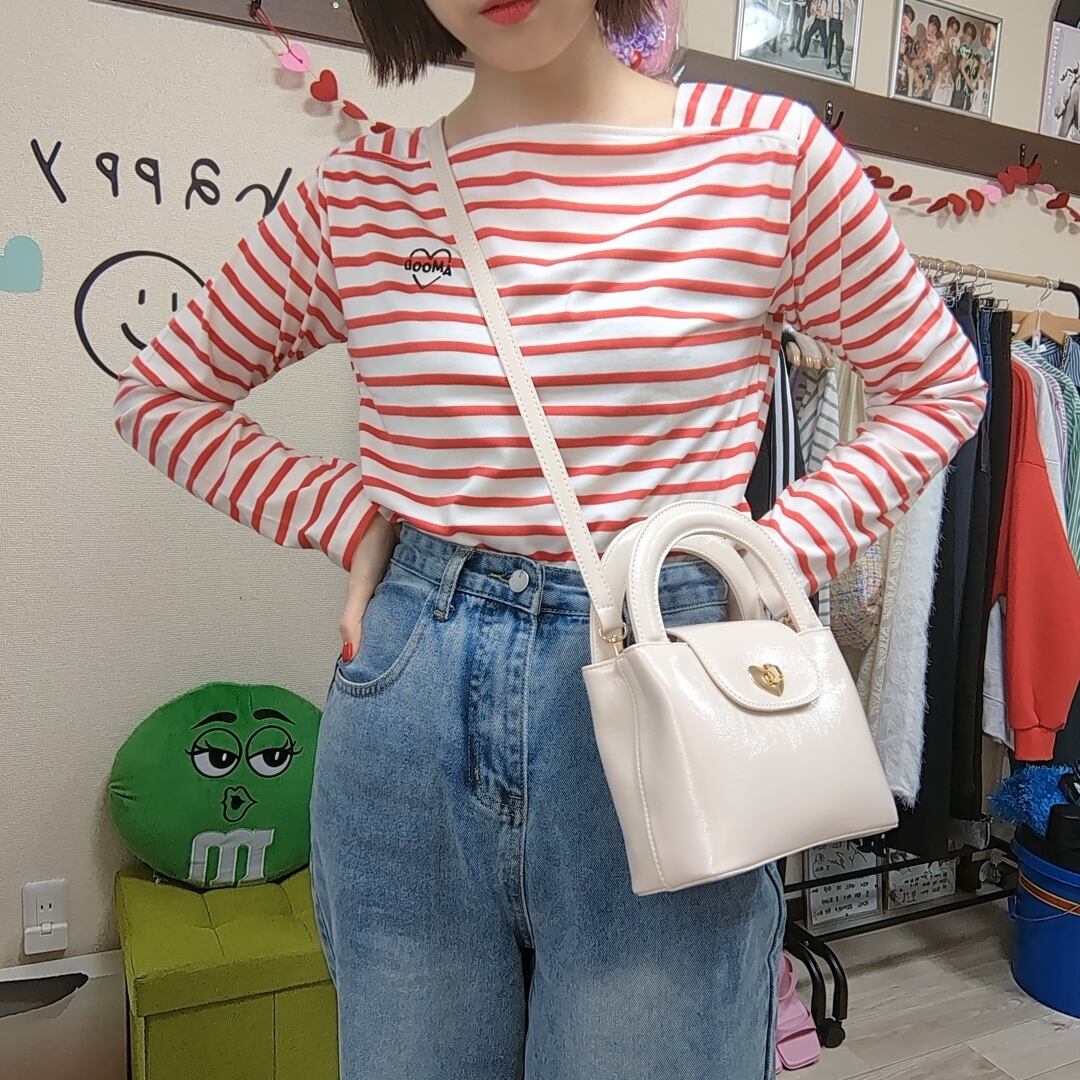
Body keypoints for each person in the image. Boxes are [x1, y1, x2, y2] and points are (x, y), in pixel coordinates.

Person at [109, 1, 988, 1076]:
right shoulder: (364, 192)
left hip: (667, 673)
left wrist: (774, 552)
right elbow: (162, 395)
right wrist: (343, 513)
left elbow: (939, 384)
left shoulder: (766, 157)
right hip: (412, 697)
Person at [952, 20, 981, 111]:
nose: (966, 36)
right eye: (965, 33)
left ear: (972, 39)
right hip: (953, 92)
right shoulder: (957, 53)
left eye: (969, 34)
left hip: (964, 97)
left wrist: (963, 70)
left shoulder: (974, 60)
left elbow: (973, 86)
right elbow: (953, 74)